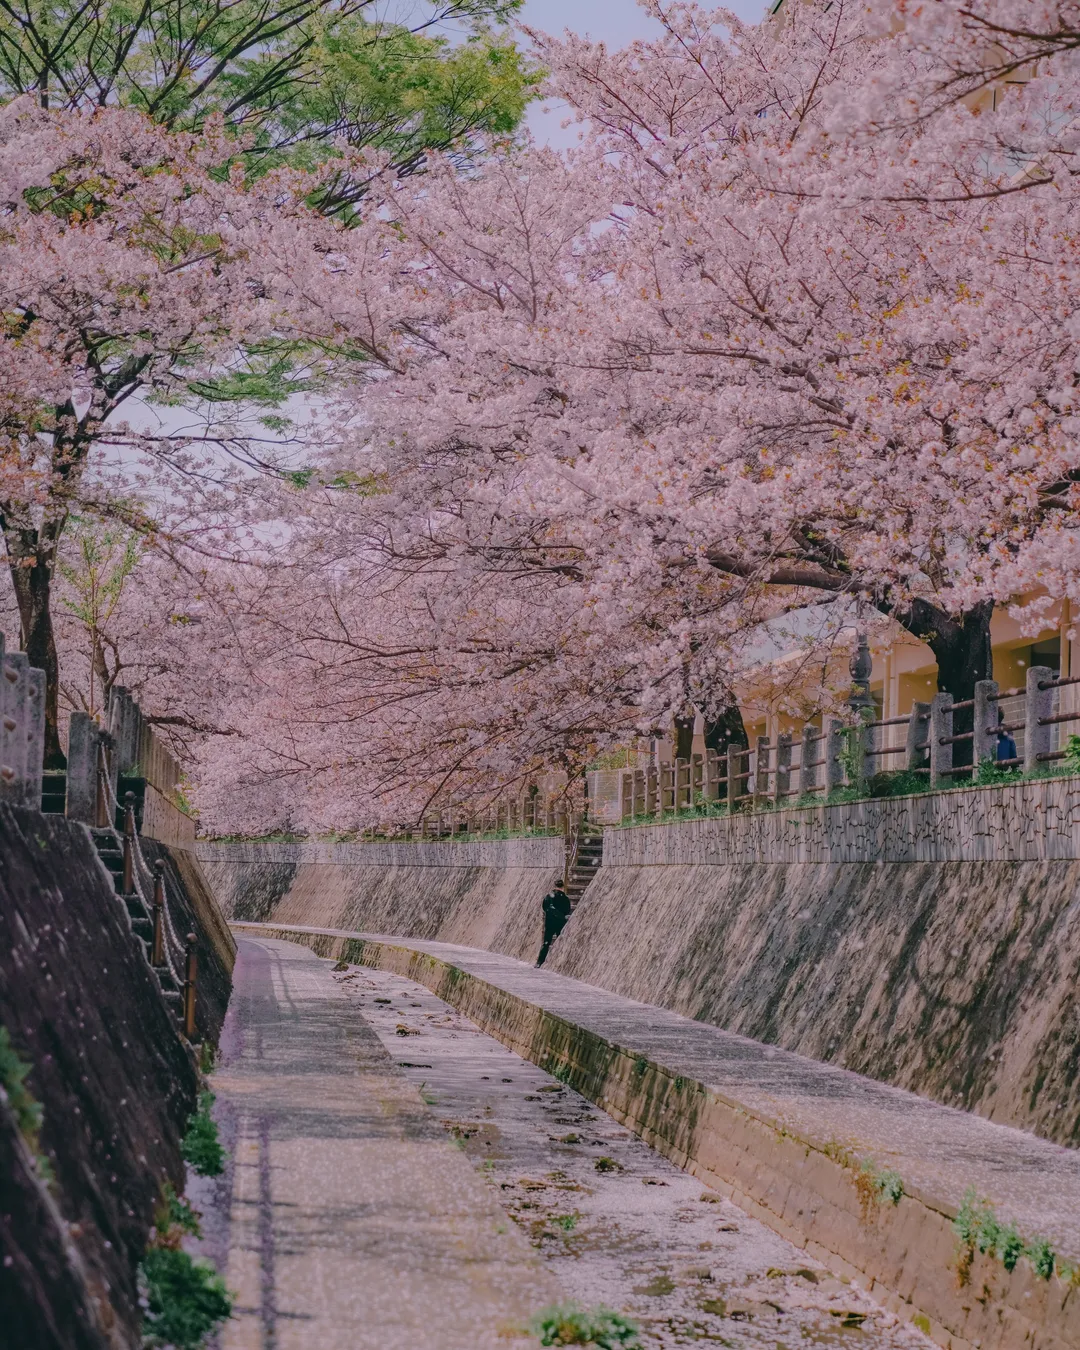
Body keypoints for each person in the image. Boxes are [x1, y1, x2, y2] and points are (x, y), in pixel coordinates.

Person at [537, 882, 572, 967]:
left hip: (550, 922)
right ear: (562, 887)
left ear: (555, 886)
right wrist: (562, 916)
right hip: (560, 923)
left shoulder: (548, 897)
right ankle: (559, 962)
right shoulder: (565, 898)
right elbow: (567, 910)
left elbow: (544, 907)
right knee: (561, 942)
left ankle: (540, 962)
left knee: (546, 943)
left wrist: (551, 914)